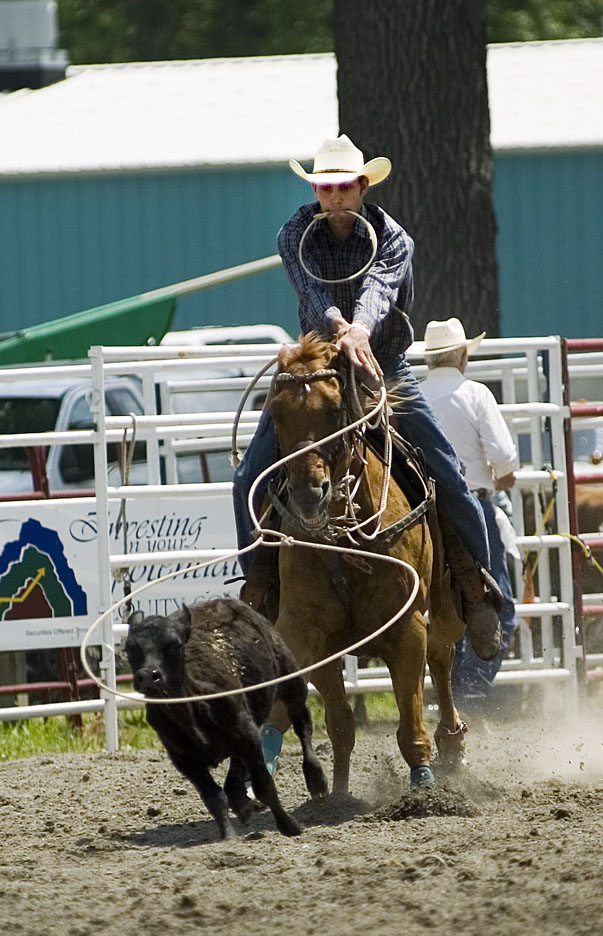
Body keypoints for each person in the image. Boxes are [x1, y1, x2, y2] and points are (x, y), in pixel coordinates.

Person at [233, 135, 503, 772]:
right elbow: (310, 291)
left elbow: (382, 293)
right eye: (325, 186)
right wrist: (337, 327)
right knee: (252, 471)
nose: (333, 195)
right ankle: (263, 582)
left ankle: (472, 580)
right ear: (316, 192)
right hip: (323, 367)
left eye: (343, 185)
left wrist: (361, 330)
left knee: (443, 470)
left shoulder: (394, 239)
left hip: (383, 368)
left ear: (363, 187)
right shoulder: (294, 233)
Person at [419, 317, 518, 709]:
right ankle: (470, 692)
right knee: (496, 601)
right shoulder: (475, 394)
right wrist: (503, 476)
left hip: (423, 514)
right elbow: (503, 455)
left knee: (437, 606)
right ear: (461, 355)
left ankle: (449, 696)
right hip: (472, 505)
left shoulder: (414, 396)